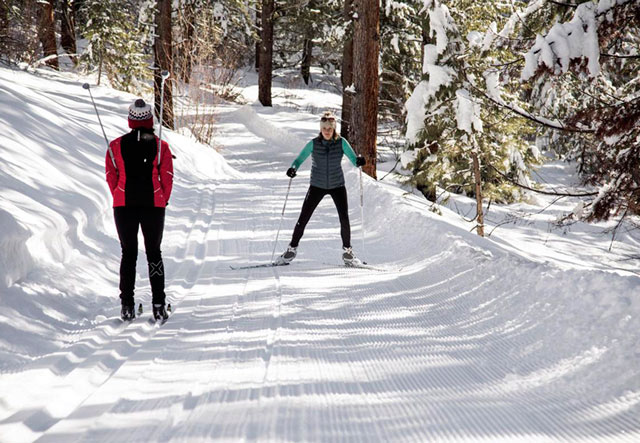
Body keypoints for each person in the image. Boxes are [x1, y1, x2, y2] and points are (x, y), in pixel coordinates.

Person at [105, 99, 174, 321]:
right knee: (154, 253)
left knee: (129, 254)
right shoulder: (160, 146)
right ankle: (158, 304)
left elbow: (111, 176)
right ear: (149, 119)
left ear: (130, 120)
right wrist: (163, 198)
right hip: (153, 205)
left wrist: (119, 192)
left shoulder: (115, 146)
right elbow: (167, 177)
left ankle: (127, 305)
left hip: (124, 205)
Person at [276, 111, 366, 266]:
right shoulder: (313, 143)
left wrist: (359, 161)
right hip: (317, 185)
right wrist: (293, 168)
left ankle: (348, 253)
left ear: (334, 129)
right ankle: (291, 250)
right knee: (303, 218)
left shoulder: (342, 142)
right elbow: (299, 159)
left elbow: (353, 160)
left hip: (337, 185)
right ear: (320, 128)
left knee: (344, 219)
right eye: (324, 128)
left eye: (330, 128)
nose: (327, 131)